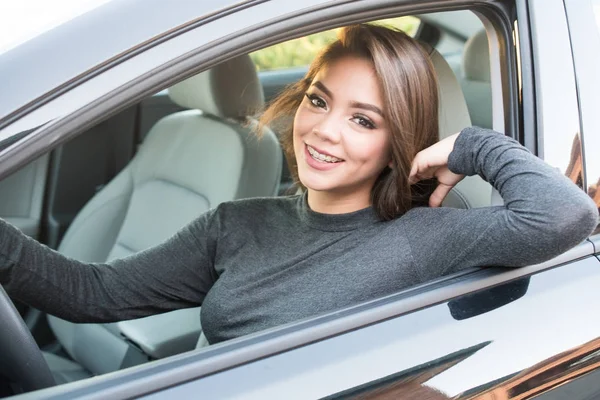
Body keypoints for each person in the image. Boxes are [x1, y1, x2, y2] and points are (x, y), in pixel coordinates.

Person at [0, 24, 598, 345]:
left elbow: (567, 216)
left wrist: (472, 145)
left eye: (364, 120)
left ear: (399, 143)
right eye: (318, 100)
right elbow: (93, 294)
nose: (324, 131)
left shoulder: (429, 237)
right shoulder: (236, 224)